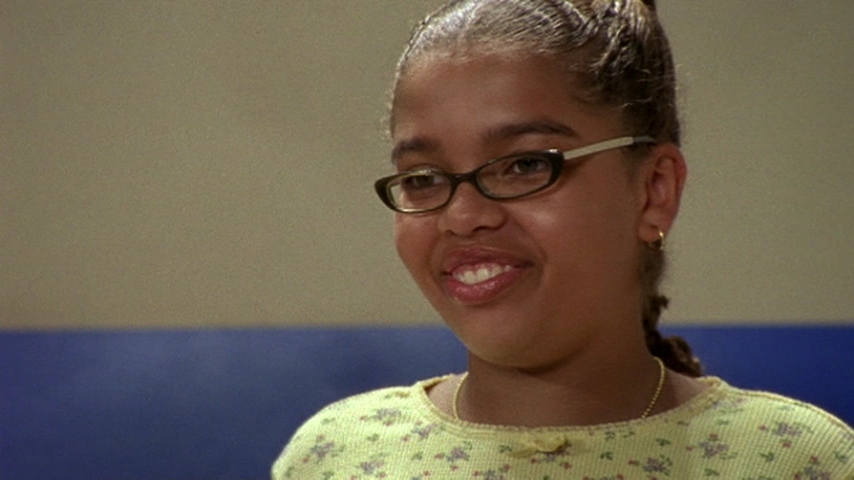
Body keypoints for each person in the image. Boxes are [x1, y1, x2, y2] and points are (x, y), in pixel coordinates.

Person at [272, 0, 854, 478]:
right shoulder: (338, 456)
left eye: (525, 165)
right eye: (423, 179)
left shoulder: (795, 460)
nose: (463, 216)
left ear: (653, 190)